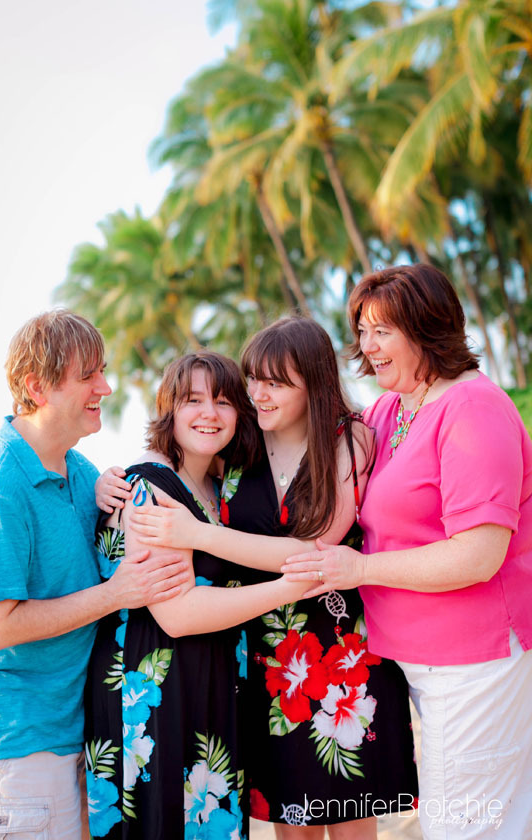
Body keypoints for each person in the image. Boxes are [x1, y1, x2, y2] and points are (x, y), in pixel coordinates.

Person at [108, 318, 418, 839]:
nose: (257, 393)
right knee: (289, 821)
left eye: (275, 382)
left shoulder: (352, 437)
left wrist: (198, 536)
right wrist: (109, 479)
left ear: (313, 383)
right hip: (263, 654)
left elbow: (315, 546)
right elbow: (178, 458)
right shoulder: (243, 443)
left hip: (339, 650)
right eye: (253, 379)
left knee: (349, 816)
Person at [281, 265, 532, 839]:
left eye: (381, 331)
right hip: (423, 664)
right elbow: (301, 441)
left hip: (475, 664)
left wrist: (360, 568)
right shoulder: (392, 410)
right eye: (361, 331)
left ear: (426, 328)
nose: (366, 347)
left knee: (467, 830)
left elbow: (478, 554)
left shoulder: (473, 409)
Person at [0, 310, 190, 840]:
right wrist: (115, 593)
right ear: (37, 387)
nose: (105, 386)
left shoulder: (75, 467)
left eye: (102, 370)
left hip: (69, 734)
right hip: (15, 749)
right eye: (88, 376)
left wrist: (105, 485)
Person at [84, 350, 315, 840]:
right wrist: (287, 588)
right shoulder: (149, 487)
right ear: (169, 409)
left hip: (206, 692)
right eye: (192, 399)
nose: (209, 413)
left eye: (225, 401)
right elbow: (178, 614)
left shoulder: (215, 485)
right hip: (156, 701)